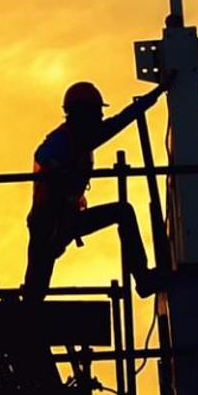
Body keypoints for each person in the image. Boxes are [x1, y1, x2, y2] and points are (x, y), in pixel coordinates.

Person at [17, 81, 155, 302]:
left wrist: (156, 94)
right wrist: (59, 171)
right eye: (96, 113)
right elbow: (42, 155)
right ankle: (27, 322)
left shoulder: (84, 139)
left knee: (123, 212)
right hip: (47, 223)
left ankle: (143, 278)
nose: (100, 117)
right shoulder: (62, 139)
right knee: (36, 287)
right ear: (83, 115)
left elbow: (120, 121)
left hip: (67, 220)